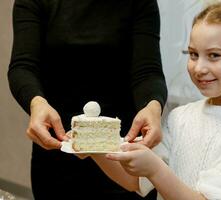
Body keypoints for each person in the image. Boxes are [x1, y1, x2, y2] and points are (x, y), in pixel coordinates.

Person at [89, 2, 221, 200]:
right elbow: (134, 180)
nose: (199, 68)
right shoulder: (181, 116)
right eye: (193, 54)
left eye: (214, 55)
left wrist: (156, 170)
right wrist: (91, 144)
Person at [7, 0, 167, 199]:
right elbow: (23, 66)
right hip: (59, 144)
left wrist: (152, 105)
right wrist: (36, 102)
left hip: (123, 150)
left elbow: (147, 71)